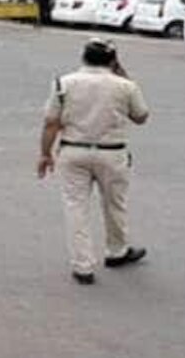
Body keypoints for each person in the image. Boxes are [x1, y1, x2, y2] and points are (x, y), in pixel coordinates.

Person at [38, 39, 150, 285]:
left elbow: (51, 122)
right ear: (112, 60)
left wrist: (45, 154)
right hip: (112, 152)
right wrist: (123, 75)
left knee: (75, 207)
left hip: (73, 151)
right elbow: (141, 116)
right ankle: (116, 250)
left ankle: (83, 266)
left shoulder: (63, 83)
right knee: (114, 204)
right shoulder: (125, 86)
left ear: (83, 58)